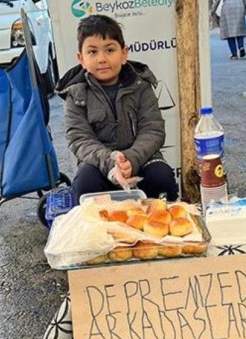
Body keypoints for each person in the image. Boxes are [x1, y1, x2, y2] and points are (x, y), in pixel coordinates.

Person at [56, 14, 179, 202]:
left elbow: (153, 130)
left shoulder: (141, 85)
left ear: (124, 54)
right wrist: (112, 162)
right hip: (98, 162)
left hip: (141, 158)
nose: (102, 59)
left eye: (110, 50)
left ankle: (158, 226)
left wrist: (130, 159)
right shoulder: (75, 93)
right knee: (85, 184)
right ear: (81, 58)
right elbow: (79, 138)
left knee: (161, 178)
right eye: (92, 52)